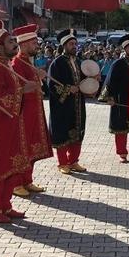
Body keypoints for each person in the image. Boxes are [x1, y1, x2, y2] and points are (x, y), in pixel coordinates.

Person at [0, 20, 34, 223]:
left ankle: (6, 205)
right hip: (0, 126)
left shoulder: (7, 65)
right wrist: (23, 90)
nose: (15, 44)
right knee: (1, 167)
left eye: (15, 41)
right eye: (11, 42)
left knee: (11, 166)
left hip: (12, 124)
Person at [10, 25, 54, 198]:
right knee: (22, 147)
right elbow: (15, 89)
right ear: (25, 43)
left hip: (34, 111)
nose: (37, 45)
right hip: (23, 113)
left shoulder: (28, 61)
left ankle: (27, 179)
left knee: (32, 147)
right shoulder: (16, 63)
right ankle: (16, 183)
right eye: (34, 42)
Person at [99, 35, 129, 162]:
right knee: (121, 127)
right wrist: (109, 97)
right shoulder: (118, 64)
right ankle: (122, 153)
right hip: (121, 99)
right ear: (124, 49)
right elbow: (110, 81)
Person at [48, 29, 88, 174]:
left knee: (77, 131)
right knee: (63, 132)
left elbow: (83, 79)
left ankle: (73, 161)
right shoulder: (57, 63)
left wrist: (91, 81)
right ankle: (62, 163)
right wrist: (67, 89)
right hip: (62, 105)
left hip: (77, 103)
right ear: (64, 45)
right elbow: (52, 85)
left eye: (75, 43)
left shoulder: (78, 61)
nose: (74, 46)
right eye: (71, 44)